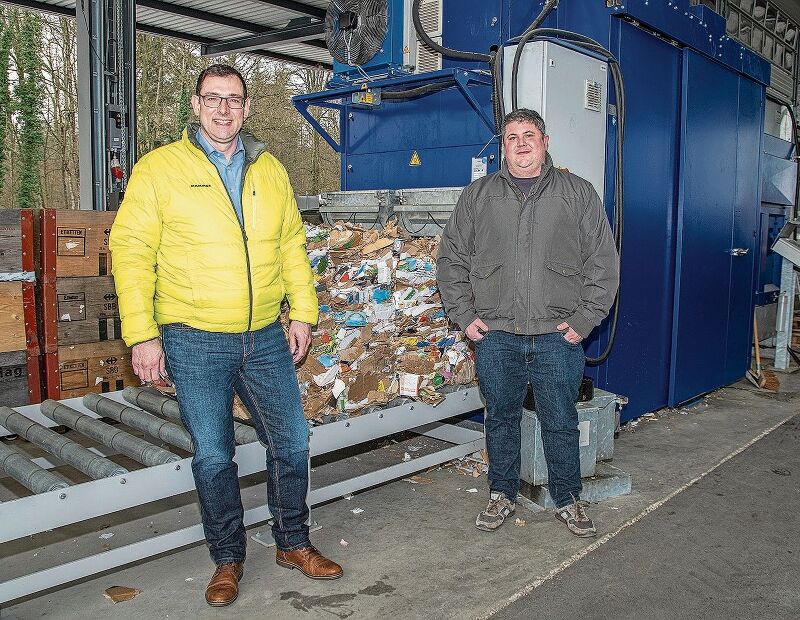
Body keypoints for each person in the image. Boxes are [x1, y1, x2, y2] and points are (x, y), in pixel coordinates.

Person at [110, 64, 342, 607]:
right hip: (194, 336)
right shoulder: (160, 169)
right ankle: (228, 558)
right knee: (214, 455)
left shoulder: (270, 170)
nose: (223, 108)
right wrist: (142, 335)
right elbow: (131, 252)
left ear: (247, 107)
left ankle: (292, 542)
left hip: (263, 333)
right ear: (194, 105)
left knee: (293, 441)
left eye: (233, 99)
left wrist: (303, 312)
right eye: (212, 98)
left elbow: (290, 245)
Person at [436, 108, 619, 537]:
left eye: (529, 135)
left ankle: (568, 498)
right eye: (512, 136)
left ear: (545, 142)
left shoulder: (577, 193)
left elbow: (603, 264)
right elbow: (451, 262)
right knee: (500, 418)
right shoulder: (478, 196)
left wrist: (584, 319)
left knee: (560, 419)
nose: (521, 142)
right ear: (503, 146)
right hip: (497, 335)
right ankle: (501, 494)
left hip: (557, 336)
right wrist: (465, 316)